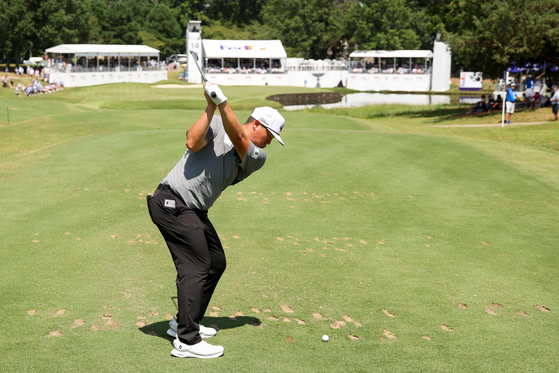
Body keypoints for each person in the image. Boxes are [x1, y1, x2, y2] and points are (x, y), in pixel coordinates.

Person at [146, 82, 286, 359]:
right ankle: (187, 340)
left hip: (193, 210)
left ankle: (184, 322)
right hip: (171, 202)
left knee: (216, 262)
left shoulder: (257, 157)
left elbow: (239, 138)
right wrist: (211, 106)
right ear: (256, 124)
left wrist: (222, 103)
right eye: (269, 134)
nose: (270, 141)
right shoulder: (218, 125)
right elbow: (191, 142)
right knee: (197, 264)